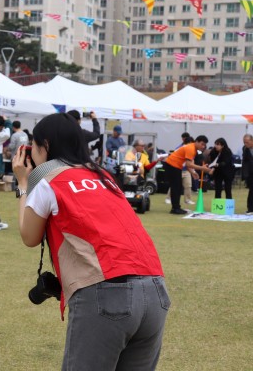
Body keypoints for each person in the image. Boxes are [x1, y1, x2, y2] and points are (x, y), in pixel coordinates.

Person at [12, 113, 169, 371]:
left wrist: (22, 182)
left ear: (45, 146)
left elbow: (29, 236)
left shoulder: (48, 181)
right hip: (155, 289)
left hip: (106, 292)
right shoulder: (104, 177)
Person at [164, 135, 210, 214]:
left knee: (178, 187)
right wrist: (202, 168)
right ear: (196, 141)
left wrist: (192, 172)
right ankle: (175, 208)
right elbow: (189, 164)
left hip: (175, 166)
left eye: (204, 145)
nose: (203, 146)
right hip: (172, 165)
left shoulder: (193, 149)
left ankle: (176, 207)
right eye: (202, 144)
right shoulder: (191, 149)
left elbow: (186, 163)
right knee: (176, 187)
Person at [165, 134, 197, 206]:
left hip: (186, 170)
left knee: (188, 185)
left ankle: (188, 200)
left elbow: (191, 161)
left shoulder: (193, 149)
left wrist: (193, 171)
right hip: (177, 169)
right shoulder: (180, 148)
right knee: (174, 186)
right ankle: (168, 198)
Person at [241, 134, 253, 214]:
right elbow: (244, 162)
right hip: (250, 174)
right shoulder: (245, 149)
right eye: (244, 142)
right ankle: (250, 209)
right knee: (251, 191)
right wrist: (245, 175)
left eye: (247, 142)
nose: (245, 144)